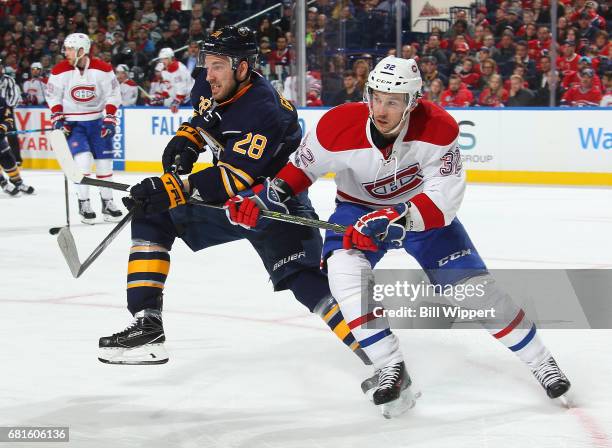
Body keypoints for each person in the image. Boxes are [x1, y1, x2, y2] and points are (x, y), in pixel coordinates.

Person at [226, 56, 572, 418]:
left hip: (417, 212)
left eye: (393, 101)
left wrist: (400, 216)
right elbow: (300, 169)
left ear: (413, 102)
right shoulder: (337, 126)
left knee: (474, 291)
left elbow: (446, 197)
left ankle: (542, 363)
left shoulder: (438, 129)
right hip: (357, 211)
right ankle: (389, 364)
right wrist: (264, 198)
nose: (381, 108)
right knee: (343, 273)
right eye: (376, 97)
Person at [97, 26, 369, 371]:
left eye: (218, 66)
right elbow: (205, 115)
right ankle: (147, 325)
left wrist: (171, 189)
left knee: (305, 283)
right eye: (206, 64)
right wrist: (189, 138)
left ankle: (376, 353)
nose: (208, 74)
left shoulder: (262, 109)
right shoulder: (211, 80)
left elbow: (231, 179)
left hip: (272, 203)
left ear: (242, 68)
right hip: (230, 203)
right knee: (152, 216)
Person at [46, 33, 123, 224]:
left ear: (82, 50)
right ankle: (84, 203)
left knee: (105, 164)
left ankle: (107, 202)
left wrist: (110, 118)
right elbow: (53, 96)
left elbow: (113, 95)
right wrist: (57, 117)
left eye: (71, 49)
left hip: (97, 121)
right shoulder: (59, 70)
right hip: (74, 124)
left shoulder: (103, 69)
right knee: (83, 162)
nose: (67, 53)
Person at [0, 95, 35, 196]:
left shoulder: (1, 100)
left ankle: (18, 183)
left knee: (8, 158)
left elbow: (9, 118)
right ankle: (3, 184)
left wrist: (2, 128)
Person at [0, 60, 23, 165]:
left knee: (11, 134)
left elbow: (14, 95)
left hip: (6, 110)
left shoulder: (8, 80)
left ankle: (17, 158)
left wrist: (9, 107)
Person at [157, 47, 193, 114]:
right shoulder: (164, 70)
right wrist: (162, 96)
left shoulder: (180, 69)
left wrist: (177, 101)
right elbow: (167, 85)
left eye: (165, 58)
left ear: (171, 58)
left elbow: (182, 88)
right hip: (179, 100)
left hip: (190, 99)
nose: (162, 61)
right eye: (161, 59)